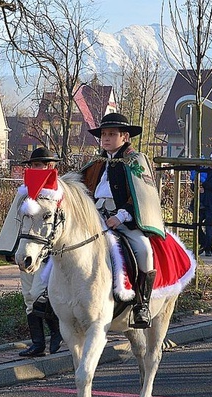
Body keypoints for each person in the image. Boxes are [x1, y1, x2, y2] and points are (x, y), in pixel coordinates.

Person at [80, 113, 166, 329]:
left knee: (144, 249)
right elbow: (81, 189)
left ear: (125, 136)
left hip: (124, 220)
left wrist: (119, 217)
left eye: (111, 134)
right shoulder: (95, 164)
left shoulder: (136, 162)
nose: (106, 138)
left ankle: (141, 304)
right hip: (94, 218)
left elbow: (143, 195)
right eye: (103, 135)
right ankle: (50, 296)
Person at [0, 147, 63, 357]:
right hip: (26, 250)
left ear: (50, 166)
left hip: (46, 251)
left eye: (39, 165)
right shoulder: (24, 192)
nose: (35, 168)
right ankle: (38, 343)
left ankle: (57, 332)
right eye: (33, 165)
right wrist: (10, 248)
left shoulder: (59, 193)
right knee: (28, 297)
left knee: (39, 293)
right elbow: (15, 223)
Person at [190, 162, 212, 257]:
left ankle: (208, 248)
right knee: (196, 222)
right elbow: (194, 183)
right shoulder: (204, 170)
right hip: (201, 202)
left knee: (209, 223)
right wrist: (197, 187)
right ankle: (204, 242)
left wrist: (204, 185)